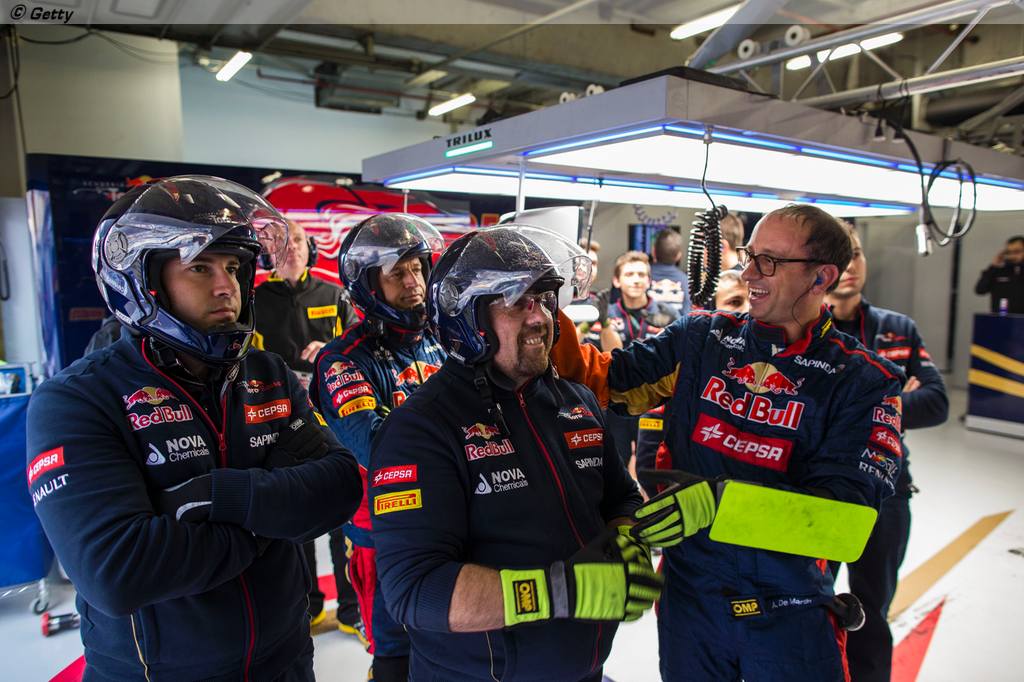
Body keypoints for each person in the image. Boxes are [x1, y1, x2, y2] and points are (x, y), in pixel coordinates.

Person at [549, 204, 904, 681]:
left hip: (790, 614)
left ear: (821, 277)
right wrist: (540, 310)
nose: (749, 273)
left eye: (769, 262)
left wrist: (718, 505)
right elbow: (603, 381)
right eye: (749, 256)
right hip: (690, 605)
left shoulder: (864, 380)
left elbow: (843, 526)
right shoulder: (701, 339)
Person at [27, 176, 362, 681]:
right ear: (144, 281)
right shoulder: (76, 399)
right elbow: (116, 571)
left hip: (287, 658)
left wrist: (214, 499)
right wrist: (272, 519)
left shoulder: (267, 372)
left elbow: (339, 486)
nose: (227, 287)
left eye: (233, 268)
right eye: (200, 268)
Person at [366, 225, 660, 681]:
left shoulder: (577, 401)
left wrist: (628, 541)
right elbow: (416, 590)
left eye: (544, 298)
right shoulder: (420, 428)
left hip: (584, 669)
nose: (540, 317)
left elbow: (619, 498)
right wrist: (558, 591)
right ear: (468, 317)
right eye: (517, 300)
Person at [310, 213, 448, 682]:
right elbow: (375, 447)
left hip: (453, 523)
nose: (414, 283)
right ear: (369, 285)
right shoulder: (342, 361)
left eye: (417, 268)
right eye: (396, 273)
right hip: (386, 536)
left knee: (453, 647)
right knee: (395, 658)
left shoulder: (443, 341)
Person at [827, 223, 949, 682]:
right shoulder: (801, 331)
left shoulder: (899, 328)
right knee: (805, 603)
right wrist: (894, 398)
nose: (851, 265)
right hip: (818, 494)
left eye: (857, 253)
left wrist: (853, 406)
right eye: (841, 255)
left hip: (888, 491)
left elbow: (936, 403)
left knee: (873, 611)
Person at [253, 220, 362, 636]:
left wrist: (330, 351)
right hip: (280, 422)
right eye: (284, 243)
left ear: (311, 247)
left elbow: (358, 348)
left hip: (332, 419)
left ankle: (350, 609)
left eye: (298, 240)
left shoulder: (333, 295)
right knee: (296, 518)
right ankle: (308, 606)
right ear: (269, 253)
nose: (293, 249)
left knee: (340, 514)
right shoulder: (254, 300)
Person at [974, 235, 1024, 314]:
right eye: (1009, 252)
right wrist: (993, 266)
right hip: (1001, 318)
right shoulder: (999, 271)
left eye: (1017, 252)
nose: (1012, 256)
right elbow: (980, 290)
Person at [648, 228, 692, 317]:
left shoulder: (642, 277)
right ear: (679, 255)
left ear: (653, 251)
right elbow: (687, 316)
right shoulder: (686, 281)